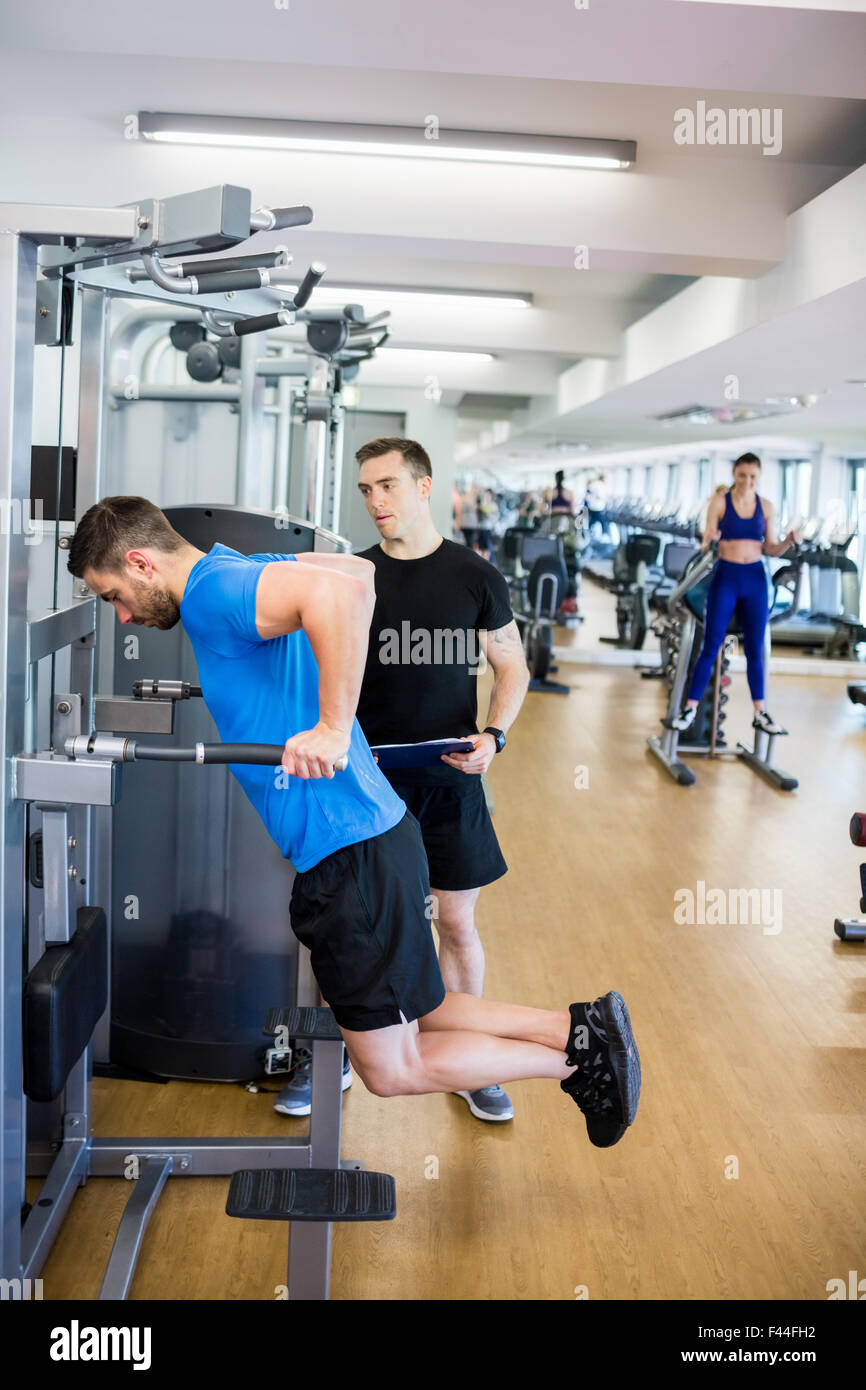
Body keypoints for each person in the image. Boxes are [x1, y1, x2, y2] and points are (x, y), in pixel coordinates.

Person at [67, 496, 641, 1152]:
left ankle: (577, 1063)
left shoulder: (214, 589)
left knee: (391, 1069)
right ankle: (581, 1028)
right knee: (420, 1011)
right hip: (372, 838)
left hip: (350, 854)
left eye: (112, 594)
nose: (122, 613)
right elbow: (358, 579)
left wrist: (335, 725)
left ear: (140, 563)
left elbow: (336, 599)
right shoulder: (236, 570)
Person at [350, 438, 526, 1122]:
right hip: (365, 781)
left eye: (387, 486)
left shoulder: (476, 576)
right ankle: (329, 1057)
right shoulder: (353, 577)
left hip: (449, 778)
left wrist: (495, 737)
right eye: (366, 490)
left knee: (454, 921)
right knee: (354, 924)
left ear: (424, 487)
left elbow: (512, 667)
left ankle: (468, 1058)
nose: (375, 502)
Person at [671, 453, 797, 733]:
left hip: (754, 579)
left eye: (753, 476)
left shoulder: (766, 506)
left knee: (754, 650)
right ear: (734, 474)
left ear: (759, 477)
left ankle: (760, 712)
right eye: (742, 475)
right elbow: (706, 544)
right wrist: (710, 539)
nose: (747, 481)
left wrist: (788, 542)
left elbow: (771, 548)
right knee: (710, 646)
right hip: (726, 576)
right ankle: (689, 709)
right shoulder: (720, 501)